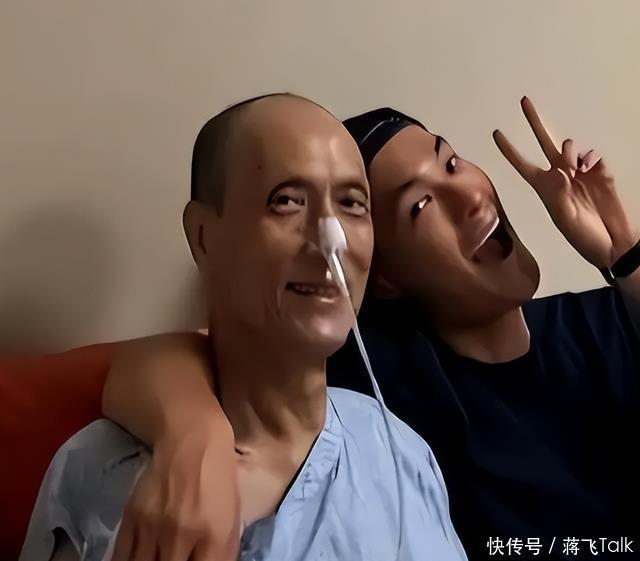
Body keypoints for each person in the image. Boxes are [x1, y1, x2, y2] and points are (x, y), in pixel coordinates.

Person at [97, 97, 640, 561]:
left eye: (452, 163)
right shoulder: (389, 385)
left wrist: (623, 251)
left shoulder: (606, 319)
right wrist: (194, 436)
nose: (471, 197)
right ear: (383, 276)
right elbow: (177, 358)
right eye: (420, 204)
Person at [19, 94, 467, 561]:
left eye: (353, 204)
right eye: (287, 201)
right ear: (203, 237)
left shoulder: (401, 453)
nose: (331, 238)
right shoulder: (105, 472)